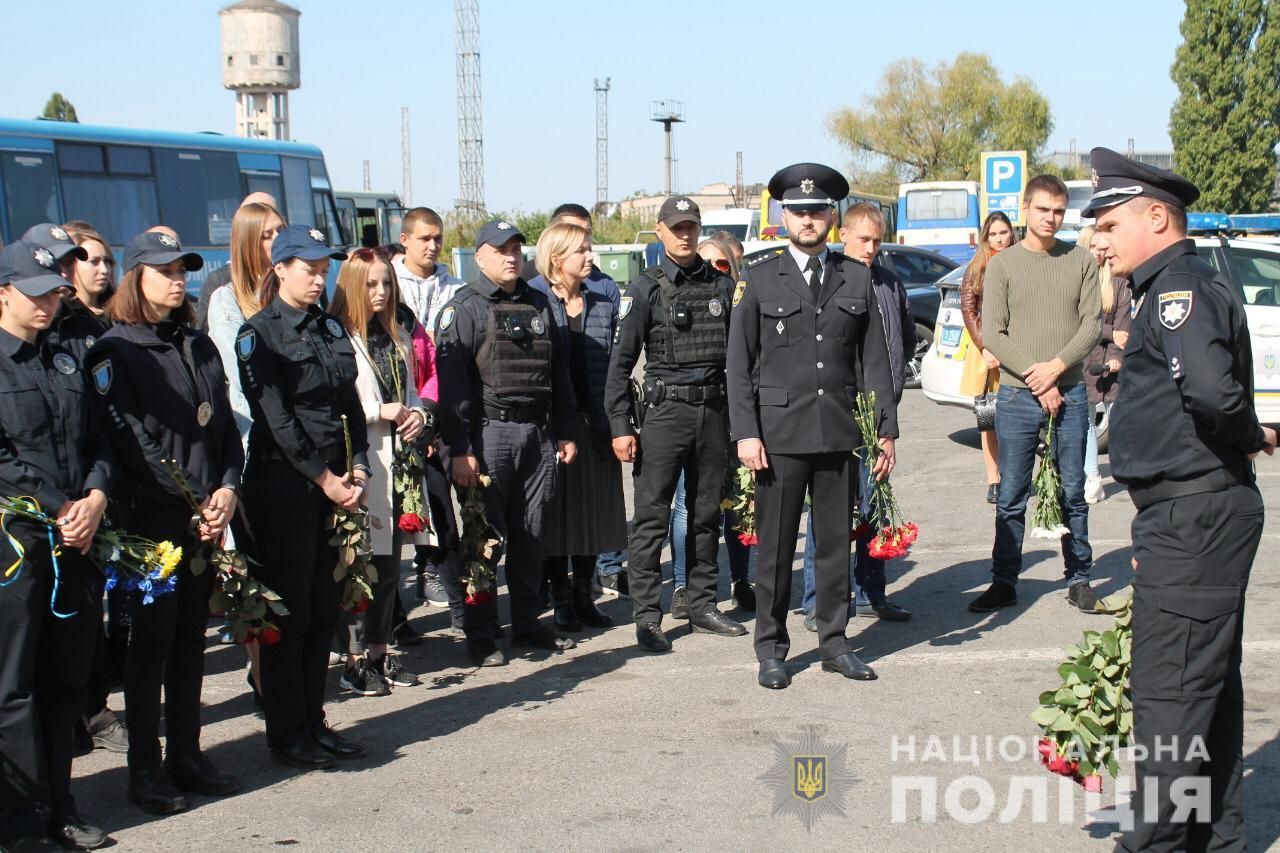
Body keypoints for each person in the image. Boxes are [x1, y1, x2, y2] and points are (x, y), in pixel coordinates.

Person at [1085, 147, 1276, 853]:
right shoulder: (1165, 286)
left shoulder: (1179, 289)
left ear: (1157, 218)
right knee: (1207, 692)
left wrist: (1251, 435)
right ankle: (1215, 841)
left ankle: (1153, 843)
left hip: (1194, 516)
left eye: (1109, 224)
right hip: (1189, 513)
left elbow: (1212, 395)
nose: (1098, 241)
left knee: (1171, 699)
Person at [85, 230, 244, 814]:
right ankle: (145, 768)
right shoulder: (114, 350)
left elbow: (223, 428)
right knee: (150, 644)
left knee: (188, 641)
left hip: (203, 515)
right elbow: (131, 441)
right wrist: (196, 497)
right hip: (149, 519)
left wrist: (227, 488)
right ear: (137, 277)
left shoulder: (198, 344)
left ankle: (187, 753)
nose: (178, 280)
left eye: (182, 271)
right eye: (165, 271)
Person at [727, 163, 899, 689]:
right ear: (784, 217)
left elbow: (873, 362)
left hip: (838, 429)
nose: (808, 219)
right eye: (798, 211)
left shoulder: (856, 276)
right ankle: (771, 648)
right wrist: (746, 432)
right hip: (778, 435)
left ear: (832, 217)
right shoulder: (759, 277)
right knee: (777, 548)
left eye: (817, 211)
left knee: (834, 544)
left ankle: (835, 642)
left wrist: (885, 430)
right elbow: (739, 364)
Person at [237, 224, 369, 770]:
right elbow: (277, 420)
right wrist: (325, 479)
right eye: (309, 269)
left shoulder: (329, 327)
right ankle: (286, 733)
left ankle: (314, 722)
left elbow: (349, 404)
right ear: (280, 269)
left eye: (323, 270)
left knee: (321, 611)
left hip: (334, 484)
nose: (319, 279)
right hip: (285, 487)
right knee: (288, 615)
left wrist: (358, 466)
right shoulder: (258, 334)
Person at [0, 241, 114, 851]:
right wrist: (59, 507)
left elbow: (100, 439)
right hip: (17, 546)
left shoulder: (68, 357)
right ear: (3, 293)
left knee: (65, 681)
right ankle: (20, 821)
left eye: (53, 291)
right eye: (34, 292)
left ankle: (60, 807)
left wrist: (94, 497)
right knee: (14, 689)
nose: (47, 302)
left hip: (79, 539)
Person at [604, 196, 746, 653]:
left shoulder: (721, 286)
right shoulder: (645, 288)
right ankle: (648, 616)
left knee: (706, 515)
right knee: (652, 518)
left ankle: (702, 604)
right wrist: (620, 425)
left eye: (691, 227)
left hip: (714, 411)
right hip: (665, 414)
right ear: (660, 231)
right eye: (677, 227)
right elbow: (620, 365)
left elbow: (743, 356)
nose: (685, 235)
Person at [435, 220, 579, 666]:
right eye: (501, 250)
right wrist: (460, 449)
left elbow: (559, 373)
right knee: (484, 538)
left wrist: (566, 429)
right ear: (479, 256)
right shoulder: (464, 309)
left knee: (531, 534)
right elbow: (453, 388)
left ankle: (527, 622)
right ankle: (480, 633)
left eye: (516, 249)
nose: (511, 257)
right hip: (488, 434)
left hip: (537, 434)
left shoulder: (540, 302)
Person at [972, 174, 1102, 614]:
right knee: (1011, 495)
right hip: (1017, 396)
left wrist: (1056, 369)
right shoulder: (1003, 265)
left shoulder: (1081, 260)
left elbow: (1091, 325)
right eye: (1043, 209)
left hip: (1070, 392)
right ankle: (1003, 581)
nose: (1051, 218)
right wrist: (1038, 378)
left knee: (1072, 491)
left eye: (1059, 211)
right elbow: (995, 333)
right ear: (1025, 209)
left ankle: (1079, 577)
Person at [798, 201, 915, 630]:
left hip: (877, 418)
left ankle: (871, 594)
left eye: (877, 241)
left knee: (874, 508)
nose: (871, 248)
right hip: (836, 416)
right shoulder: (829, 279)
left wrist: (888, 406)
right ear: (842, 234)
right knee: (829, 513)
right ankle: (817, 601)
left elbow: (903, 339)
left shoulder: (889, 283)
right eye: (864, 239)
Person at [329, 247, 429, 694]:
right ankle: (352, 661)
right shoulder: (337, 336)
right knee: (358, 565)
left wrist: (419, 414)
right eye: (371, 283)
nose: (381, 291)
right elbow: (336, 406)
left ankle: (378, 652)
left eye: (387, 282)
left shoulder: (396, 333)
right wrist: (379, 410)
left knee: (389, 566)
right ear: (352, 285)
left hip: (400, 463)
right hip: (360, 462)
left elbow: (413, 391)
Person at [529, 222, 625, 632]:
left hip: (596, 423)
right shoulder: (535, 302)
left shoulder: (601, 303)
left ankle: (585, 594)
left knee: (592, 512)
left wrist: (619, 422)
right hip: (554, 428)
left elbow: (617, 368)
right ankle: (561, 598)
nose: (590, 257)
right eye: (581, 251)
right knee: (557, 515)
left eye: (589, 249)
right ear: (556, 258)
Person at [668, 236, 753, 619]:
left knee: (738, 506)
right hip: (695, 417)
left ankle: (740, 581)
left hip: (736, 420)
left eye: (722, 264)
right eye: (706, 263)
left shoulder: (742, 305)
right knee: (688, 507)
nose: (713, 270)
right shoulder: (678, 300)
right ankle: (682, 586)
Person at [392, 207, 464, 608]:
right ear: (405, 240)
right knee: (405, 504)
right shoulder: (386, 282)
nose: (433, 245)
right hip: (399, 410)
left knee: (444, 504)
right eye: (424, 238)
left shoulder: (455, 288)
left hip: (442, 406)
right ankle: (415, 579)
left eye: (438, 238)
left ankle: (446, 572)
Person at [961, 212, 1016, 504]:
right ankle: (994, 479)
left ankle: (1014, 476)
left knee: (1015, 418)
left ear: (1012, 233)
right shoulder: (977, 267)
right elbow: (969, 311)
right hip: (986, 352)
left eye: (1003, 232)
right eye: (993, 234)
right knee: (989, 419)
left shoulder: (1022, 261)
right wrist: (985, 347)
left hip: (1017, 349)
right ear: (985, 237)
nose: (999, 239)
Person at [1076, 224, 1131, 505]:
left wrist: (1116, 356)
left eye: (1102, 247)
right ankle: (1093, 477)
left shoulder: (1118, 281)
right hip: (1082, 360)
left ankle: (1133, 471)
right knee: (1087, 422)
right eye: (1092, 247)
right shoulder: (1076, 279)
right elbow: (1079, 325)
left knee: (1119, 419)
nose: (1098, 253)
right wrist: (1109, 332)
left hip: (1110, 361)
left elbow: (1123, 327)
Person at [195, 191, 281, 331]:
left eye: (280, 230)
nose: (278, 238)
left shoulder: (294, 275)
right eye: (267, 235)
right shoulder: (222, 287)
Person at [63, 222, 115, 320]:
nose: (104, 270)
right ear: (71, 264)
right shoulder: (61, 316)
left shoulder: (121, 314)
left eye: (107, 261)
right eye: (94, 261)